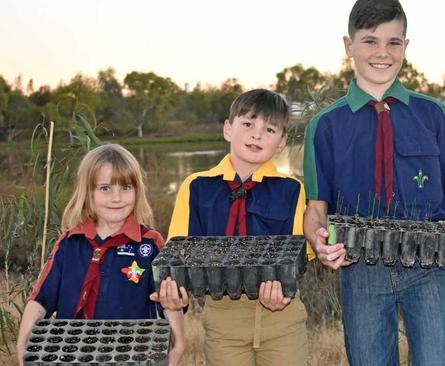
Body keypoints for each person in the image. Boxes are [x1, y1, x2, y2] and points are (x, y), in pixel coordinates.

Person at [302, 0, 445, 365]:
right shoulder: (325, 125)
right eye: (370, 41)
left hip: (431, 266)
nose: (382, 53)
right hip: (360, 270)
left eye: (393, 42)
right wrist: (319, 242)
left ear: (406, 46)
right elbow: (316, 209)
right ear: (348, 45)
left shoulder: (433, 114)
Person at [168, 89, 313, 366]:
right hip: (224, 319)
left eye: (269, 129)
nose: (256, 135)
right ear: (228, 129)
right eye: (248, 124)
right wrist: (175, 294)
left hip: (282, 317)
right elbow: (179, 254)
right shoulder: (196, 187)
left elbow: (295, 255)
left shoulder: (292, 189)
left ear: (282, 142)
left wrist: (283, 286)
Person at [16, 144, 188, 366]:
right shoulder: (69, 243)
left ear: (138, 191)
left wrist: (179, 343)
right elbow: (40, 301)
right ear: (88, 192)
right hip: (72, 355)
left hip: (132, 356)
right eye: (105, 188)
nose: (116, 198)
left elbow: (169, 302)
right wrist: (23, 345)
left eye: (126, 187)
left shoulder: (150, 244)